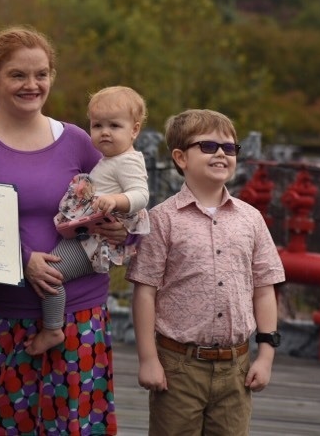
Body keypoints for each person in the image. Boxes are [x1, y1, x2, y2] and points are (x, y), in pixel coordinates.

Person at [0, 26, 128, 435]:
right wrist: (23, 260)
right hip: (6, 318)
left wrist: (120, 231)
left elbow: (124, 200)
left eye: (41, 74)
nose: (32, 85)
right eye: (18, 75)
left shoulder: (77, 140)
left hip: (80, 318)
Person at [126, 109, 286, 436]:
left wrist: (266, 355)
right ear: (181, 157)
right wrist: (148, 359)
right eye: (209, 146)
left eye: (229, 148)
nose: (221, 154)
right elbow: (145, 291)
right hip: (178, 365)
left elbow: (265, 288)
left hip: (236, 366)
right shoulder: (163, 219)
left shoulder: (251, 219)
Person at [26, 85, 151, 356]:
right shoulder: (110, 159)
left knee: (50, 276)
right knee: (50, 274)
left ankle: (52, 329)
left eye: (114, 125)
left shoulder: (127, 162)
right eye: (97, 125)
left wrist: (116, 200)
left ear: (134, 130)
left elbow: (141, 195)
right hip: (87, 234)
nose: (104, 132)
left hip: (94, 241)